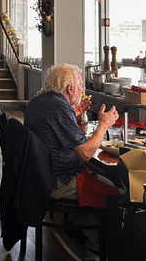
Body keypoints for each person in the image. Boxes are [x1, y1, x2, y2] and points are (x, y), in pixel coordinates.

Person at [24, 64, 119, 200]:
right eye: (80, 86)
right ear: (70, 88)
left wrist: (74, 112)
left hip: (36, 176)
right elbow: (85, 154)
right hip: (59, 181)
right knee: (114, 192)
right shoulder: (60, 106)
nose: (82, 90)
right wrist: (103, 124)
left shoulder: (37, 101)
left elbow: (52, 126)